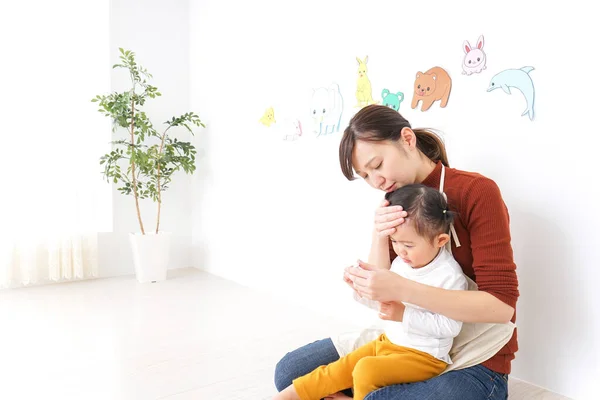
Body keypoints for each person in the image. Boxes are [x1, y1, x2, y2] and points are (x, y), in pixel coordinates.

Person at [274, 105, 519, 400]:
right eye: (365, 175)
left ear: (407, 139)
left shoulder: (476, 191)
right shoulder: (394, 202)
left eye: (377, 165)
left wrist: (403, 288)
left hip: (476, 357)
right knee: (290, 371)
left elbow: (501, 307)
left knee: (374, 395)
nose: (375, 181)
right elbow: (382, 294)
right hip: (407, 341)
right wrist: (379, 236)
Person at [274, 184, 468, 400]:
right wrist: (362, 289)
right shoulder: (403, 265)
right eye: (394, 241)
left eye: (408, 245)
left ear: (440, 240)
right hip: (389, 342)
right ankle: (290, 396)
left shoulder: (450, 277)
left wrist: (404, 314)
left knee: (365, 370)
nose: (399, 251)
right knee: (343, 366)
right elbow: (385, 306)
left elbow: (451, 326)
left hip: (425, 357)